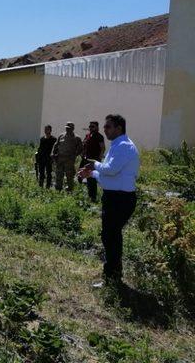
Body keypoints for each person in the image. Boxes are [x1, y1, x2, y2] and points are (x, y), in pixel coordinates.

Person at [78, 114, 139, 288]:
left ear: (119, 128)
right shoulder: (117, 146)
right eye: (105, 126)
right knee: (111, 236)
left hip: (120, 199)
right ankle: (114, 275)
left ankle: (111, 278)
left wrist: (94, 165)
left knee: (110, 236)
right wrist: (92, 173)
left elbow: (110, 170)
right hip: (115, 197)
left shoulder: (124, 146)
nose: (105, 129)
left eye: (108, 126)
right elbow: (108, 175)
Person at [52, 122, 83, 191]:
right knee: (59, 174)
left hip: (69, 159)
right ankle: (58, 189)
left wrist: (75, 155)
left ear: (73, 128)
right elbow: (56, 145)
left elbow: (81, 148)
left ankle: (70, 189)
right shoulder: (61, 135)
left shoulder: (77, 138)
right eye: (66, 128)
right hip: (60, 158)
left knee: (69, 175)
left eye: (69, 128)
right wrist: (53, 153)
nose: (67, 129)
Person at [80, 121, 106, 202]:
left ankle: (93, 198)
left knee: (92, 179)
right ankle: (88, 195)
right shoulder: (88, 136)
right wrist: (82, 153)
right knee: (82, 176)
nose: (91, 128)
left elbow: (103, 148)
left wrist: (98, 160)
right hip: (85, 159)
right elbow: (84, 145)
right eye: (90, 126)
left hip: (94, 161)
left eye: (93, 126)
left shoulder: (99, 136)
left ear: (97, 128)